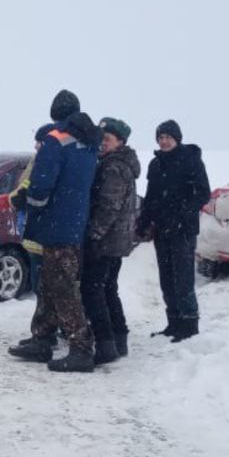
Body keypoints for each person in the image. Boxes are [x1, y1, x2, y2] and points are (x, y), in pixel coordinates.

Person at [7, 89, 101, 372]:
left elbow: (42, 183)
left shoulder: (55, 140)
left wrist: (31, 203)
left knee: (61, 287)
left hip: (55, 223)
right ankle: (42, 338)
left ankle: (81, 348)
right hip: (74, 222)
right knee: (49, 283)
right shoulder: (89, 142)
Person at [136, 119, 211, 342]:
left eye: (168, 137)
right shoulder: (155, 164)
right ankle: (173, 322)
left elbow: (202, 193)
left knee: (183, 278)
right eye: (160, 138)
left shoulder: (190, 160)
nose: (164, 141)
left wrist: (181, 215)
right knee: (167, 278)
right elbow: (151, 196)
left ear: (176, 138)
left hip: (183, 230)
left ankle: (189, 325)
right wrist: (144, 221)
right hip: (161, 230)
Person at [81, 118, 141, 363]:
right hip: (116, 239)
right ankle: (119, 338)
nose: (103, 143)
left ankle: (105, 343)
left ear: (121, 142)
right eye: (102, 138)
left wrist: (94, 234)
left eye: (108, 139)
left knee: (93, 289)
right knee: (107, 288)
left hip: (106, 240)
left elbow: (109, 206)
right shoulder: (117, 163)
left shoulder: (114, 167)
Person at [9, 125, 53, 297]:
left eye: (39, 142)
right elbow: (25, 184)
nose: (35, 146)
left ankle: (49, 321)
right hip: (32, 231)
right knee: (39, 285)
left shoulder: (47, 163)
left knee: (43, 286)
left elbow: (34, 187)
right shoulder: (38, 160)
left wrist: (20, 197)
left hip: (41, 234)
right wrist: (18, 196)